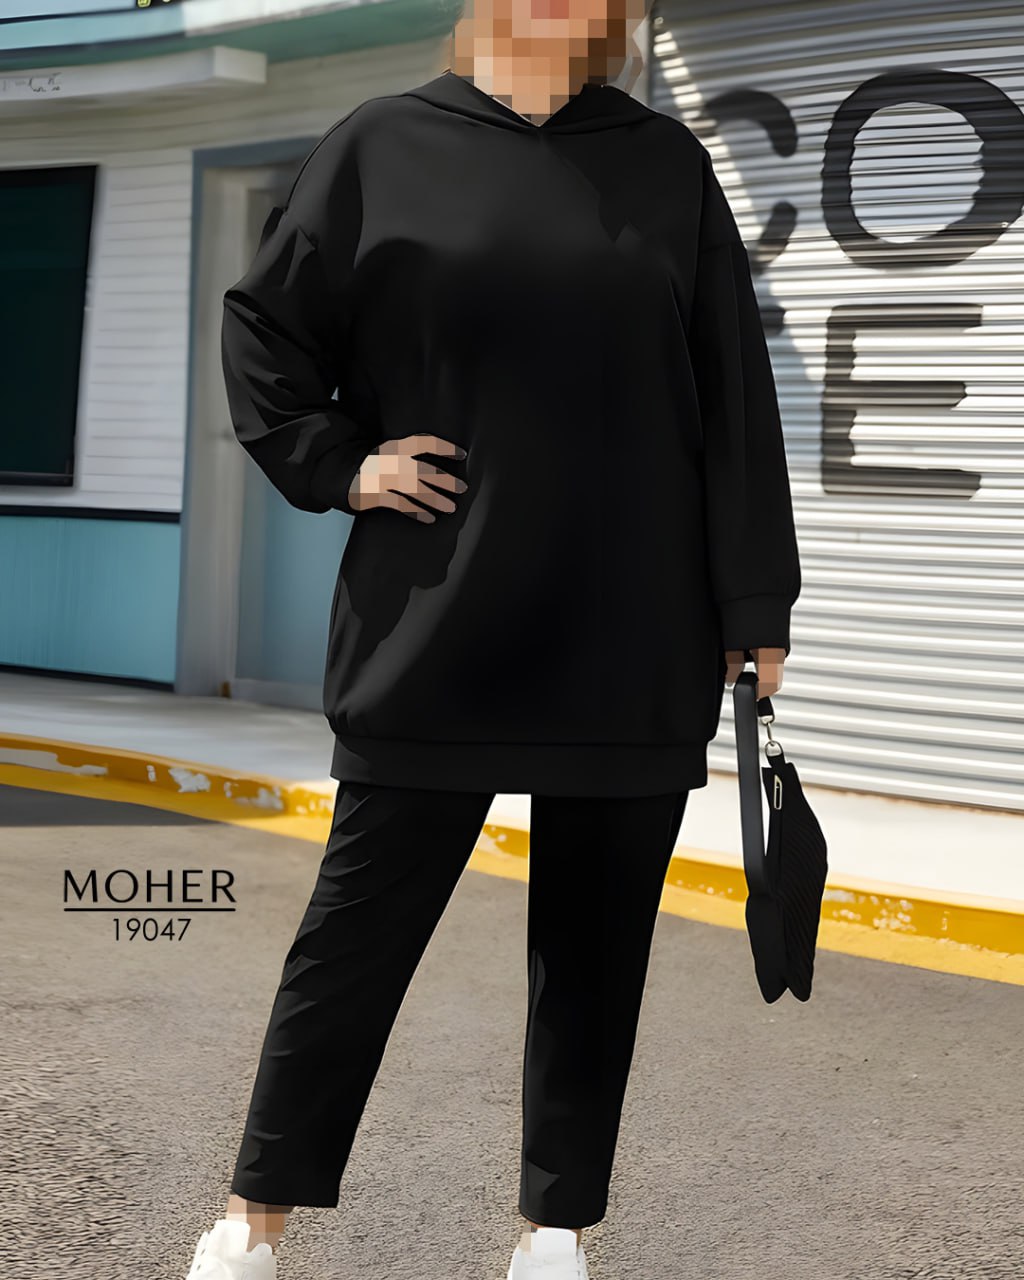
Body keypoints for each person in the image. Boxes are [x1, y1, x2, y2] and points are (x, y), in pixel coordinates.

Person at [186, 0, 801, 1276]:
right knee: (354, 940)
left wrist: (755, 603)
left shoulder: (663, 163)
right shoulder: (381, 145)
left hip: (633, 623)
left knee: (594, 951)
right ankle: (252, 1221)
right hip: (436, 617)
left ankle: (554, 1231)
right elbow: (263, 329)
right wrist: (342, 464)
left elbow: (733, 391)